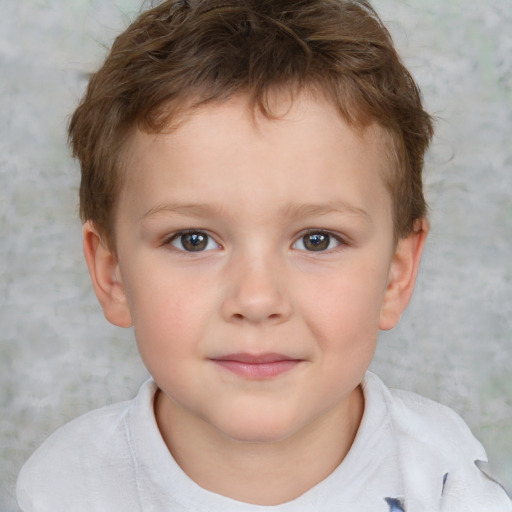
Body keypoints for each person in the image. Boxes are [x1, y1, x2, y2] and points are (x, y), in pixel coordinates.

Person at [16, 0, 512, 510]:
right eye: (194, 240)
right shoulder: (67, 487)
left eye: (317, 239)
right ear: (112, 273)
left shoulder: (447, 482)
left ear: (395, 275)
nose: (256, 300)